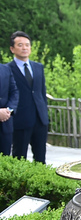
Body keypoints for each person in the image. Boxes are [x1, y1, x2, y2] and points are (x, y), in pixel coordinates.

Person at [8, 31, 49, 163]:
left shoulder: (38, 67)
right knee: (19, 157)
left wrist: (45, 115)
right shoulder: (7, 69)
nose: (24, 48)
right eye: (20, 45)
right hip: (20, 120)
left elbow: (41, 93)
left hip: (40, 119)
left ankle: (41, 183)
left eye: (27, 45)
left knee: (41, 157)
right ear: (12, 49)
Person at [0, 61, 19, 155]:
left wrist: (9, 110)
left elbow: (14, 92)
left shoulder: (5, 69)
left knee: (5, 159)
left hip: (5, 124)